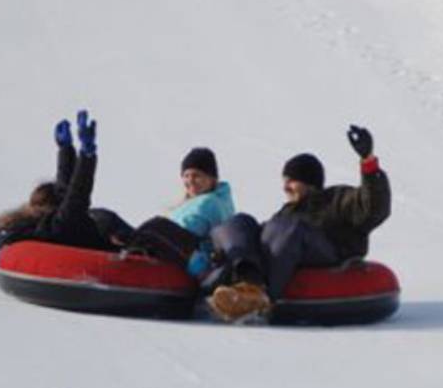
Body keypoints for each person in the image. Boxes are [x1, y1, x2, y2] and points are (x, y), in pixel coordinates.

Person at [203, 124, 392, 321]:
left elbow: (374, 207)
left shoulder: (336, 198)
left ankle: (261, 297)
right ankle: (246, 285)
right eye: (284, 180)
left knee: (290, 226)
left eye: (291, 180)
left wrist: (368, 162)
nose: (285, 186)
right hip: (287, 251)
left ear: (309, 182)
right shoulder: (286, 212)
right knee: (240, 222)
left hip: (329, 254)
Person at [0, 110, 116, 253]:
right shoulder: (61, 224)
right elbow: (77, 193)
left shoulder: (23, 226)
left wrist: (66, 150)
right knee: (105, 218)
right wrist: (87, 155)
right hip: (98, 257)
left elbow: (67, 192)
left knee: (101, 216)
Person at [126, 147, 236, 275]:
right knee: (105, 218)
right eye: (186, 175)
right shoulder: (190, 203)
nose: (190, 181)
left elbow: (201, 234)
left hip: (196, 260)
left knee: (156, 226)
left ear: (212, 178)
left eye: (196, 175)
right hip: (176, 250)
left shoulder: (214, 202)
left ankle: (122, 253)